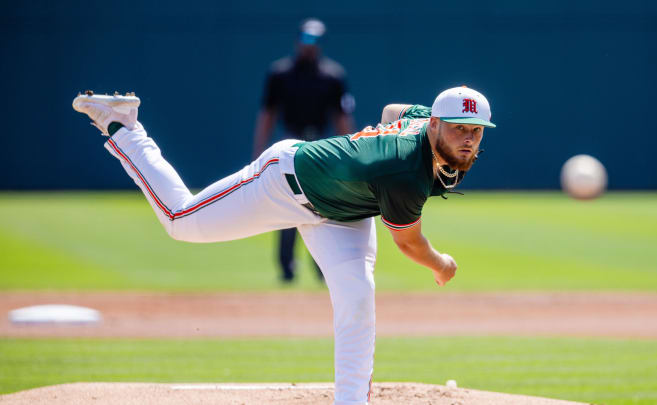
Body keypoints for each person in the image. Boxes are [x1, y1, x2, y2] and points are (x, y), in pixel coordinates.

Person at [72, 85, 495, 405]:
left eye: (475, 131)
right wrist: (441, 265)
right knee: (181, 220)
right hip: (284, 182)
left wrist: (376, 140)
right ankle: (125, 126)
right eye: (458, 128)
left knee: (358, 299)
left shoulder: (426, 124)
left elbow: (392, 111)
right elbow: (410, 245)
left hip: (344, 212)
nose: (468, 139)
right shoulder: (404, 169)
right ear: (436, 125)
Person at [253, 18, 355, 283]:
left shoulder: (332, 75)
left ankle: (323, 267)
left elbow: (342, 116)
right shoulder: (281, 73)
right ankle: (286, 267)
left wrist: (350, 154)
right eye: (307, 39)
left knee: (323, 206)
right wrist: (259, 151)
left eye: (316, 40)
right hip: (290, 144)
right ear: (298, 41)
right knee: (287, 204)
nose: (310, 46)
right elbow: (268, 113)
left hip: (320, 145)